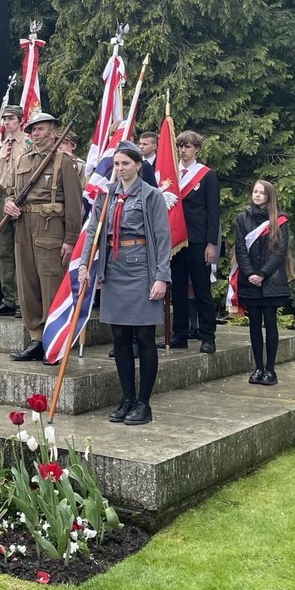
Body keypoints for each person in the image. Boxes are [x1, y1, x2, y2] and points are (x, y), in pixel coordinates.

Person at [79, 141, 172, 426]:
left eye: (126, 164)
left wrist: (161, 277)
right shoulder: (106, 195)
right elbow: (93, 230)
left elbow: (163, 236)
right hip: (114, 271)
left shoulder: (151, 195)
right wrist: (85, 264)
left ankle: (144, 402)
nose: (120, 169)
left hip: (142, 269)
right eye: (117, 164)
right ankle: (127, 398)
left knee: (144, 338)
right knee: (119, 338)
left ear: (138, 165)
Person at [3, 112, 84, 362]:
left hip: (50, 229)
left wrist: (70, 239)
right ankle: (36, 338)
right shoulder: (21, 160)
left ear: (52, 131)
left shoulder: (63, 161)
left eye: (41, 129)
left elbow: (74, 203)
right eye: (33, 130)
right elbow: (10, 192)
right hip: (23, 225)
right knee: (27, 285)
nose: (36, 134)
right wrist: (8, 204)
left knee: (50, 284)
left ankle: (55, 340)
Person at [234, 179, 295, 387]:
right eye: (255, 191)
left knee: (270, 322)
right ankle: (258, 367)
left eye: (261, 192)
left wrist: (262, 273)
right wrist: (251, 273)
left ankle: (270, 369)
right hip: (249, 279)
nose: (257, 195)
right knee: (253, 324)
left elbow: (280, 251)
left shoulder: (280, 220)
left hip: (271, 280)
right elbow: (240, 249)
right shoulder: (243, 218)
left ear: (269, 196)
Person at [169, 130, 220, 353]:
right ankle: (179, 334)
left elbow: (213, 211)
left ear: (196, 149)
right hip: (175, 239)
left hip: (198, 239)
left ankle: (208, 336)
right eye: (181, 146)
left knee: (201, 288)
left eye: (188, 146)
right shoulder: (172, 174)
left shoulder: (206, 175)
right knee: (178, 288)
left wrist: (211, 243)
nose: (183, 150)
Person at [0, 106, 25, 317]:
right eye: (5, 119)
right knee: (3, 251)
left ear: (20, 120)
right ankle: (8, 298)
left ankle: (21, 300)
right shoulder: (0, 146)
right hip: (0, 197)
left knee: (20, 249)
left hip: (20, 197)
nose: (7, 122)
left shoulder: (27, 142)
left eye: (10, 119)